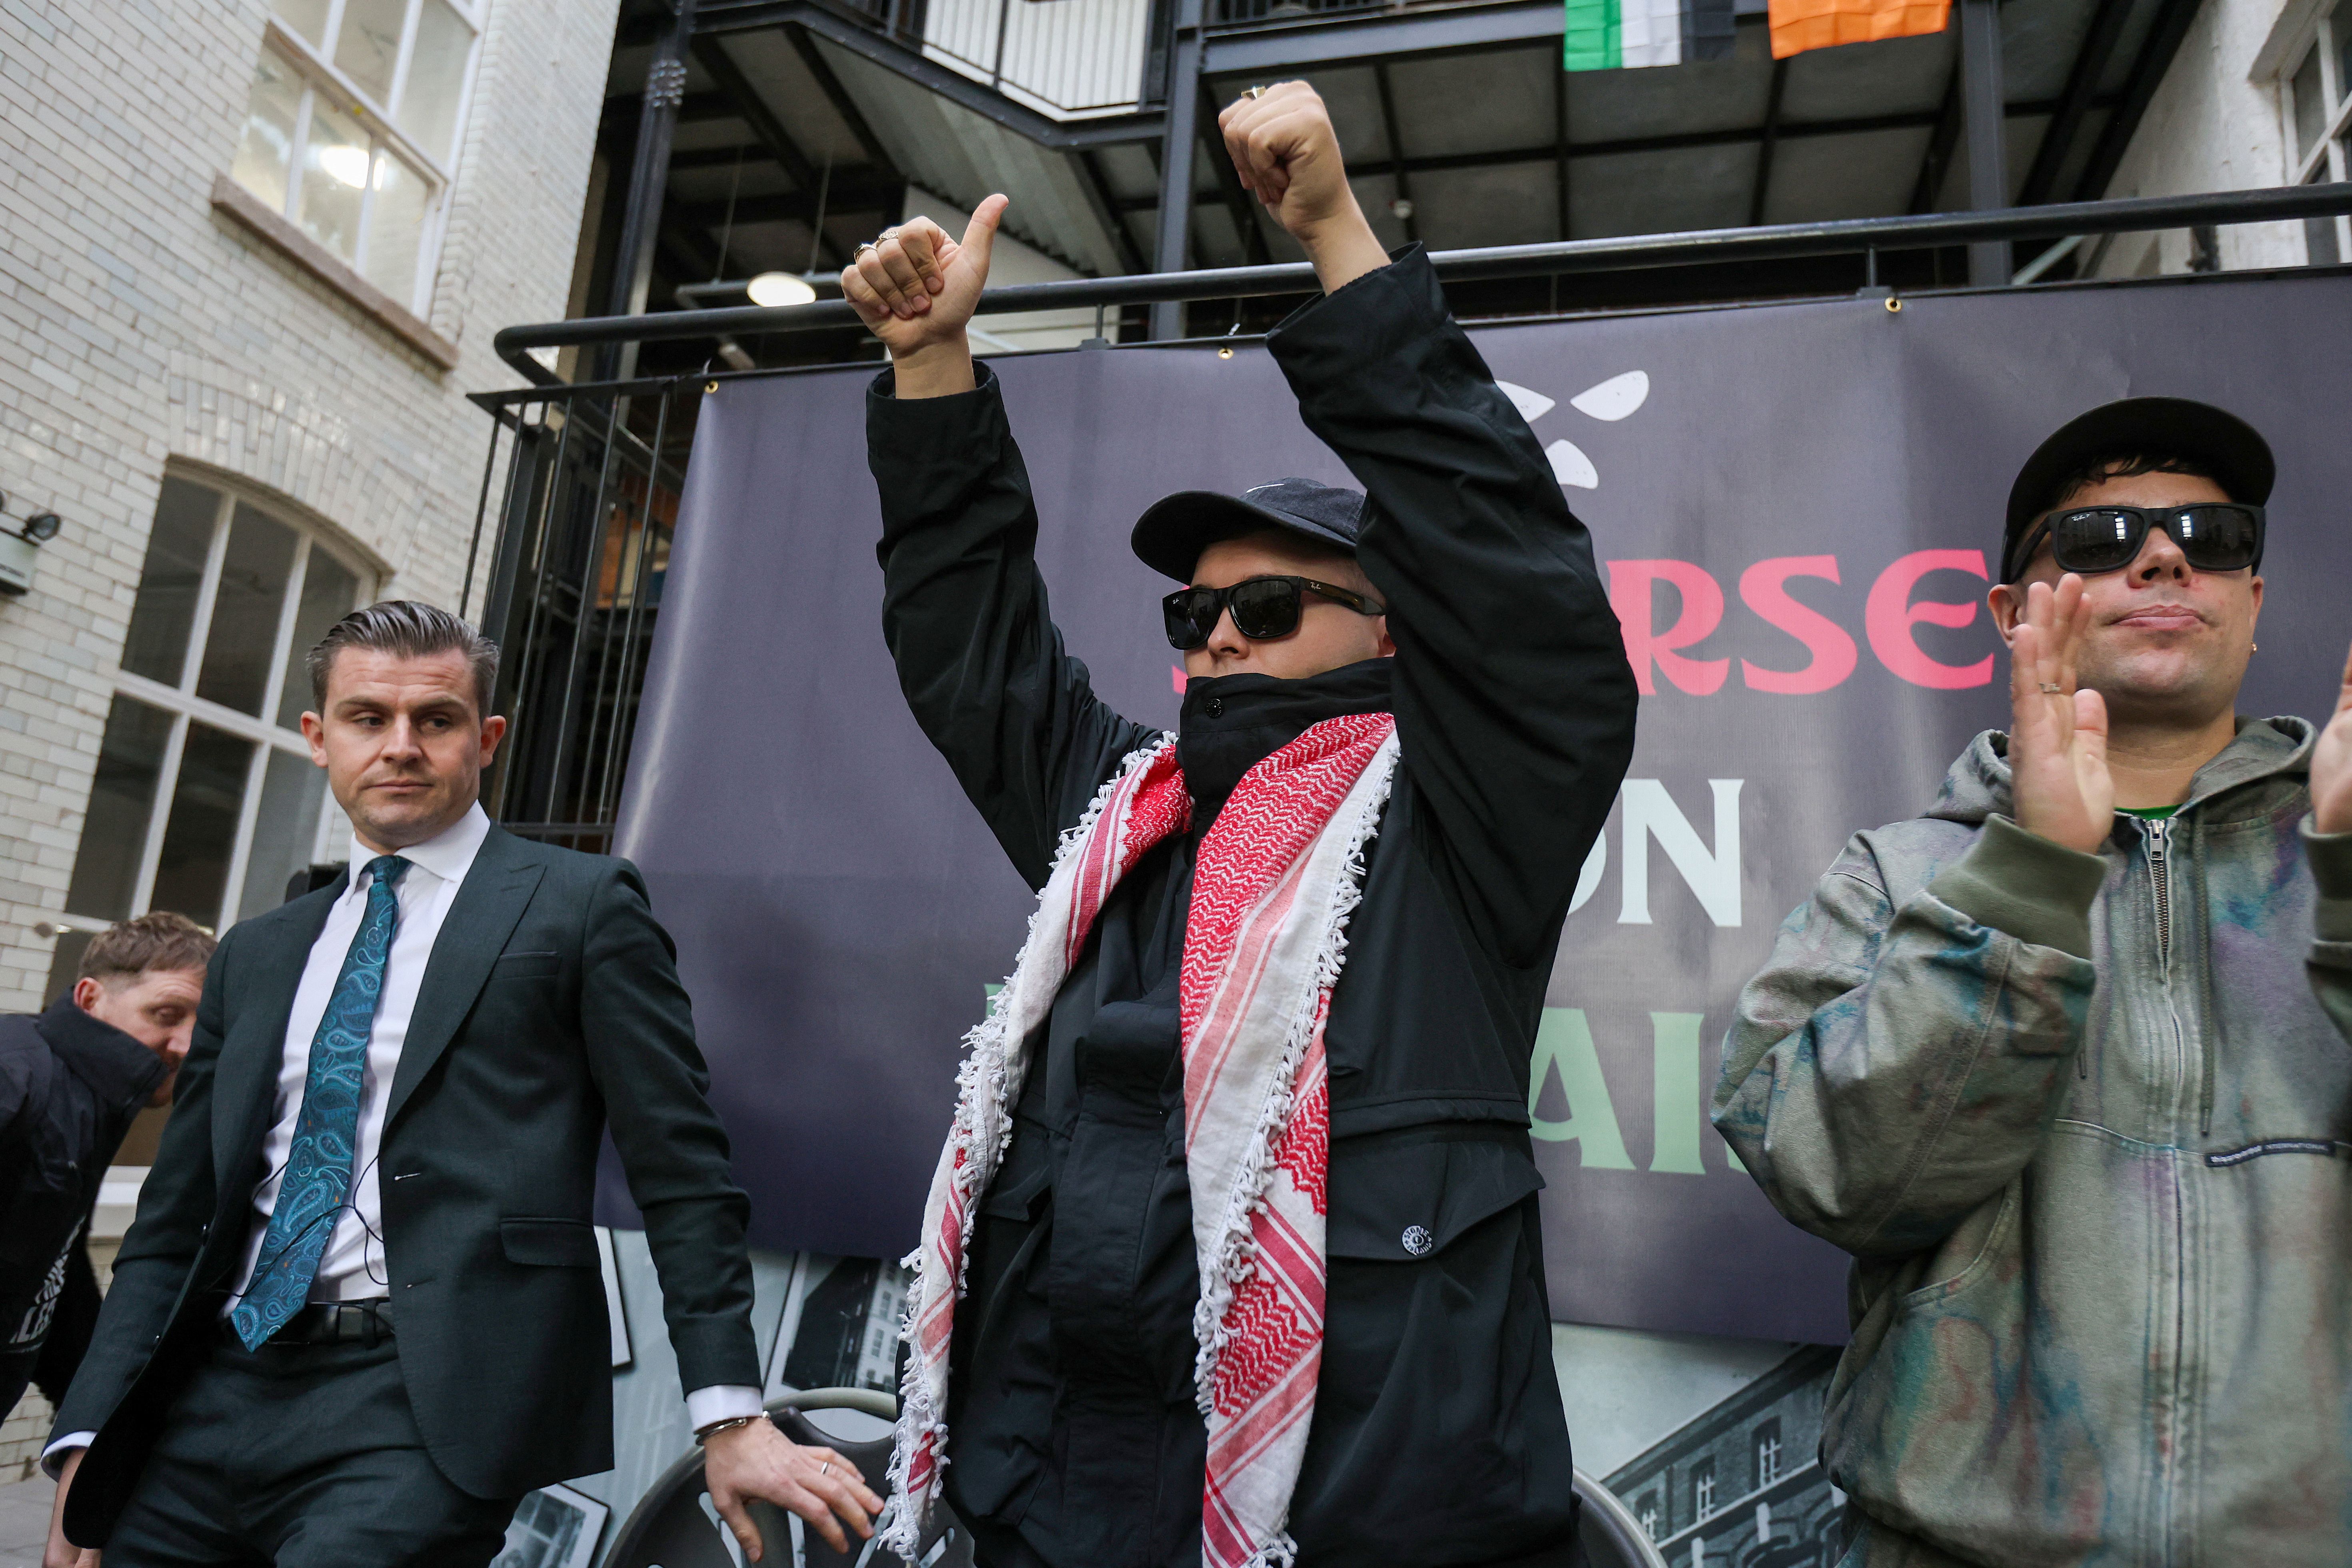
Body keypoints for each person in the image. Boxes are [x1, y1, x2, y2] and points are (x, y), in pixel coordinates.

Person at [848, 82, 1637, 1568]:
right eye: (1192, 609)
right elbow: (977, 654)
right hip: (1049, 1507)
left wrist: (1335, 230)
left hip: (1332, 1527)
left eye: (1265, 608)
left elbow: (1516, 585)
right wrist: (935, 367)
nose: (1213, 637)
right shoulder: (1122, 810)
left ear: (1391, 632)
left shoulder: (1461, 826)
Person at [42, 601, 881, 1568]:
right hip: (212, 1389)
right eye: (368, 718)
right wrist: (89, 1430)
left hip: (421, 1403)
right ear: (319, 738)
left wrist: (727, 1414)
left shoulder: (581, 906)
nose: (400, 746)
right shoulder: (257, 953)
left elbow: (681, 1166)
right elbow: (172, 1216)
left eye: (434, 720)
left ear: (485, 740)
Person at [1713, 397, 2352, 1566]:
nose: (2163, 555)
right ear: (2014, 614)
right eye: (2101, 535)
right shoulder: (1897, 875)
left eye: (2211, 536)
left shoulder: (2339, 853)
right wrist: (2029, 877)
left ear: (2250, 602)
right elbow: (1837, 1177)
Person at [2, 914, 214, 1426]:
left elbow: (54, 1257)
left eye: (202, 1027)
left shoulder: (93, 1098)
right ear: (91, 998)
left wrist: (91, 1403)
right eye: (166, 1013)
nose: (186, 1045)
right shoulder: (14, 1074)